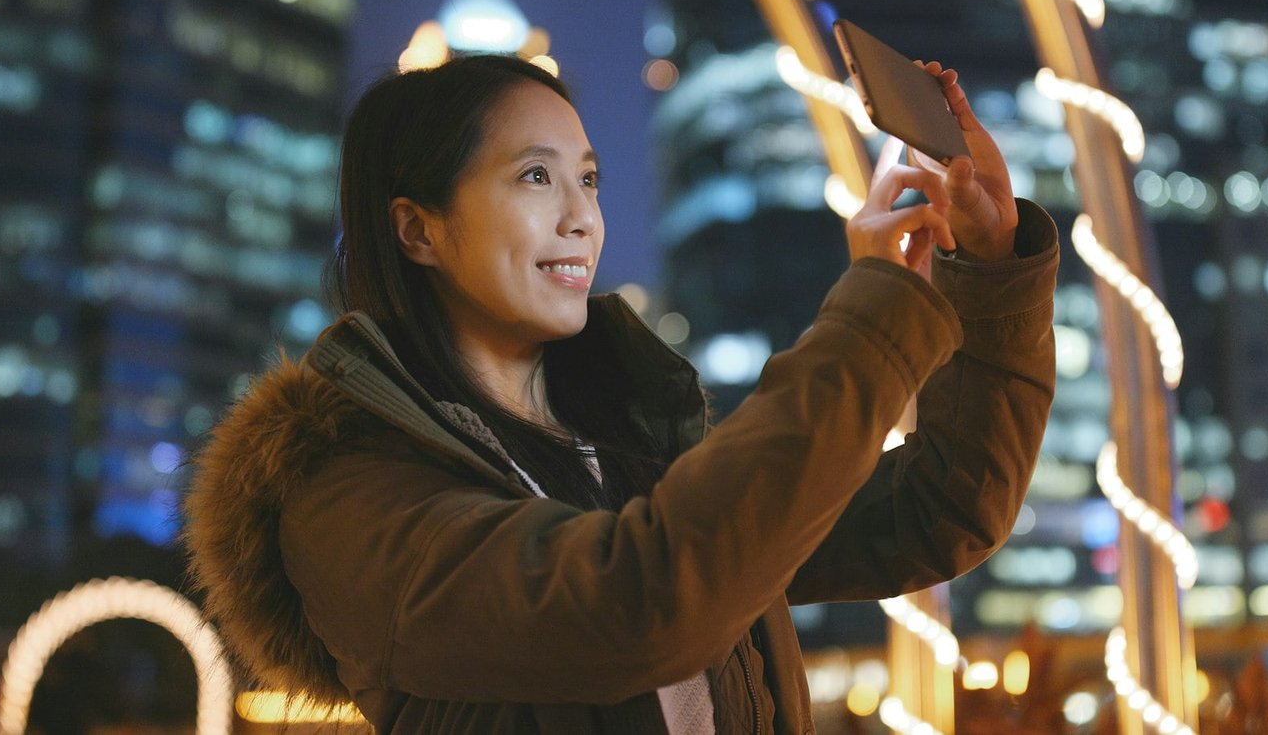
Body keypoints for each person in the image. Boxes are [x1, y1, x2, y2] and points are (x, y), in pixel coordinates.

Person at [183, 53, 1059, 734]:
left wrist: (987, 264)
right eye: (535, 176)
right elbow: (641, 605)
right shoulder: (347, 499)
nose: (580, 216)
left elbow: (943, 506)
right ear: (418, 229)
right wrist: (873, 313)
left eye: (590, 178)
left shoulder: (634, 455)